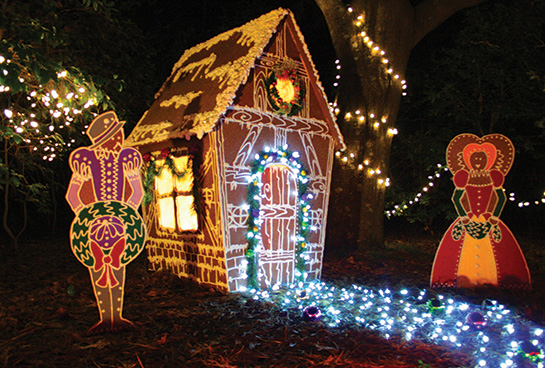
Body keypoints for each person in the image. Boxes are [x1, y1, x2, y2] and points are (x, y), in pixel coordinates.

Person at [66, 111, 146, 333]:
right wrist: (86, 216)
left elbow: (137, 195)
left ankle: (117, 316)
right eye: (117, 133)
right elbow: (72, 196)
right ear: (107, 137)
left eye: (120, 132)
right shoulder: (85, 161)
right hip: (93, 228)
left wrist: (125, 211)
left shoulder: (125, 160)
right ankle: (105, 317)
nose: (121, 136)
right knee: (97, 264)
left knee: (118, 264)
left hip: (120, 225)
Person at [431, 134, 531, 290]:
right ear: (468, 161)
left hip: (488, 219)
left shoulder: (494, 176)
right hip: (468, 219)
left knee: (495, 252)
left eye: (481, 159)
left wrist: (493, 218)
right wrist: (464, 217)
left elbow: (500, 197)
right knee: (460, 252)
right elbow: (457, 198)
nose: (478, 162)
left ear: (487, 161)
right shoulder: (463, 177)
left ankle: (494, 282)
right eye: (475, 159)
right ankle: (460, 281)